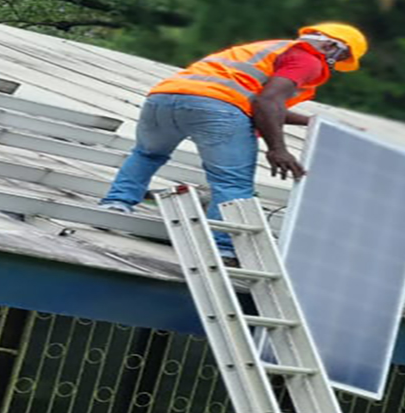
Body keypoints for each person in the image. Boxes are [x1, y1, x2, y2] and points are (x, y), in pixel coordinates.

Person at [98, 24, 369, 258]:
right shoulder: (308, 60)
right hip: (218, 109)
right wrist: (278, 149)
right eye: (341, 56)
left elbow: (254, 101)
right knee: (232, 182)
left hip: (163, 99)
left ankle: (116, 203)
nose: (335, 64)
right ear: (331, 46)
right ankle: (222, 247)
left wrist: (312, 122)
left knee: (147, 154)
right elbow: (266, 101)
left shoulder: (270, 48)